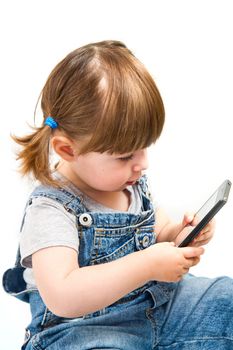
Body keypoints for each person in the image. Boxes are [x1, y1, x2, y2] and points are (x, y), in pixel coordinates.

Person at [3, 40, 233, 350]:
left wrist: (177, 233)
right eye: (125, 156)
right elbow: (63, 295)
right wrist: (148, 265)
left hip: (160, 305)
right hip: (85, 330)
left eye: (144, 147)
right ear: (68, 149)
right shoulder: (51, 209)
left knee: (227, 301)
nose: (143, 163)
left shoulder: (127, 181)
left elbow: (150, 228)